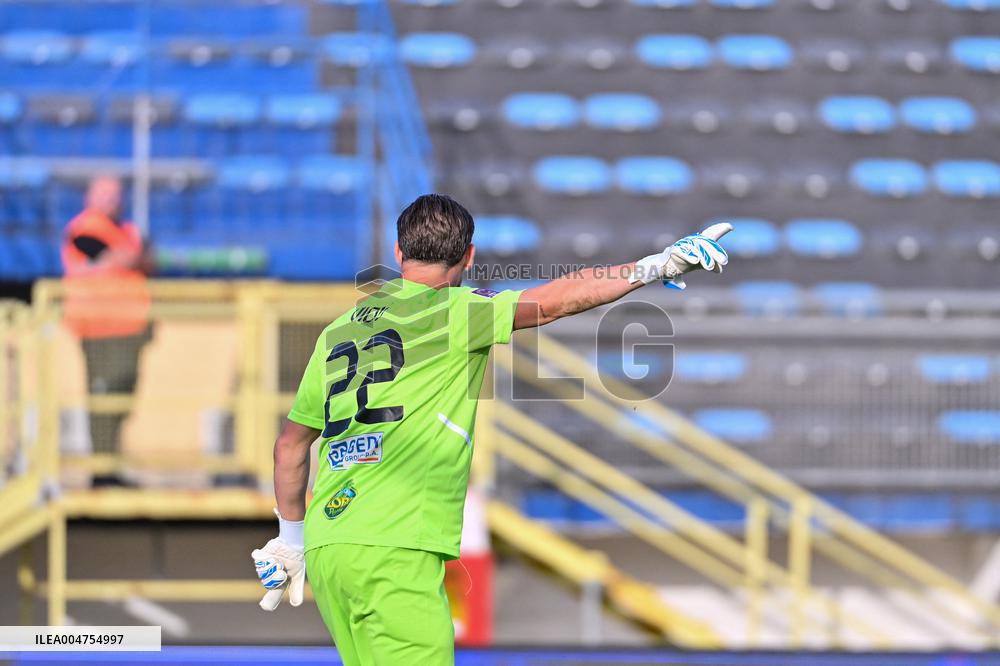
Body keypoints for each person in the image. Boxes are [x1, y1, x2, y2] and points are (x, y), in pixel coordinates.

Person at [251, 194, 731, 665]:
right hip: (395, 545)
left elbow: (290, 446)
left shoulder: (337, 331)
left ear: (398, 252)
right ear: (469, 257)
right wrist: (658, 265)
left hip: (331, 545)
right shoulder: (457, 311)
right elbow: (557, 299)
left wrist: (291, 540)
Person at [61, 175, 151, 487]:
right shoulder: (84, 228)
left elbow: (143, 259)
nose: (112, 201)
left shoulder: (124, 230)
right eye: (105, 194)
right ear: (90, 196)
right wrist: (125, 256)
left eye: (116, 195)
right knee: (102, 398)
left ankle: (111, 465)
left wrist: (126, 257)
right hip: (98, 328)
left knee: (122, 398)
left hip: (129, 328)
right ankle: (101, 472)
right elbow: (118, 256)